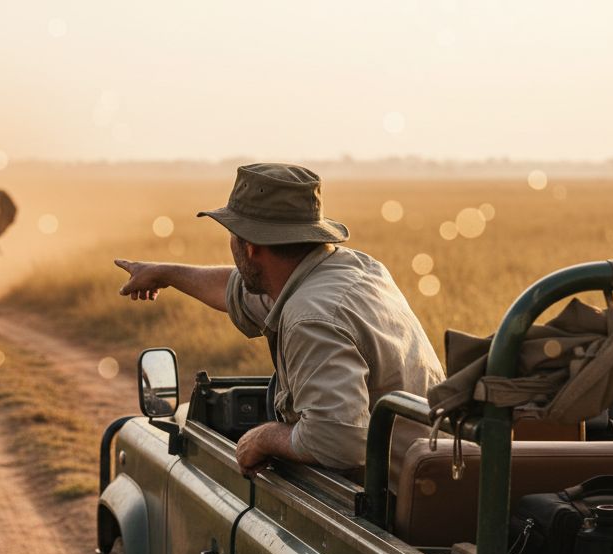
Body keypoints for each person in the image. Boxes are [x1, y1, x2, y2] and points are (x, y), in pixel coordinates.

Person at [115, 162, 443, 475]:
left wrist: (265, 437)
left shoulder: (311, 316)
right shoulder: (349, 270)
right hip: (429, 485)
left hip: (383, 511)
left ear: (251, 246)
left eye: (232, 234)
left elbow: (339, 442)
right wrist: (165, 273)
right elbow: (237, 292)